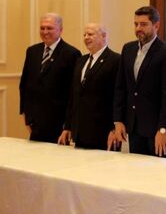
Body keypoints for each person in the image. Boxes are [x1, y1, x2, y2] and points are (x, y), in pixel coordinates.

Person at [110, 6, 166, 157]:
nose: (138, 28)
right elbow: (121, 88)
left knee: (159, 170)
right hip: (134, 127)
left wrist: (163, 129)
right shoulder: (128, 49)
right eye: (136, 24)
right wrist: (118, 120)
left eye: (143, 24)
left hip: (157, 129)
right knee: (138, 170)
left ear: (156, 26)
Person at [19, 13, 81, 142]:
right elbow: (24, 84)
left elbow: (74, 92)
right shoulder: (32, 51)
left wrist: (68, 124)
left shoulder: (71, 54)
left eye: (49, 28)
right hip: (35, 123)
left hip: (59, 123)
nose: (45, 32)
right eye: (42, 28)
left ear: (60, 30)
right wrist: (26, 114)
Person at [58, 23, 120, 150]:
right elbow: (73, 96)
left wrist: (114, 129)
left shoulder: (115, 60)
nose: (86, 37)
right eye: (84, 35)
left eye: (90, 34)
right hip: (80, 132)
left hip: (104, 133)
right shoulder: (81, 60)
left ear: (104, 36)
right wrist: (68, 127)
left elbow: (118, 98)